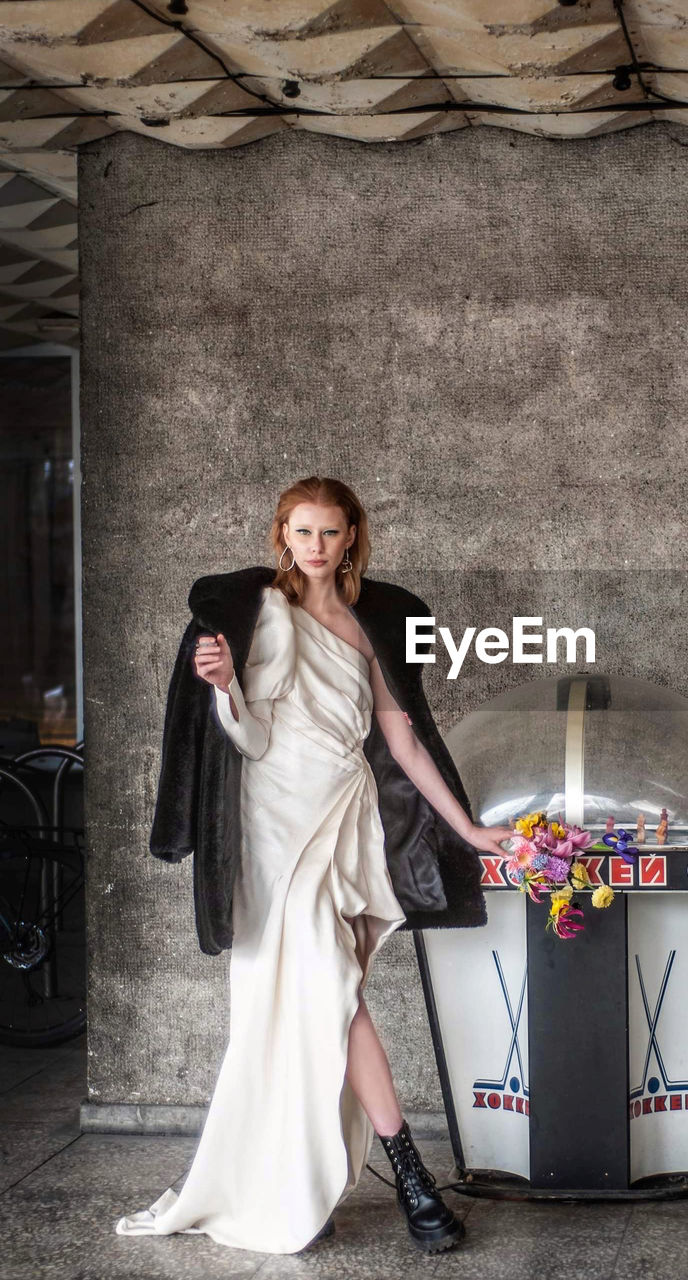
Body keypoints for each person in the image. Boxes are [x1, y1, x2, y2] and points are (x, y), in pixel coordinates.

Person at [114, 477, 514, 1256]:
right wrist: (227, 687)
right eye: (303, 532)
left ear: (352, 536)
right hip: (276, 826)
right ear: (282, 535)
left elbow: (401, 741)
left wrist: (467, 828)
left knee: (324, 1003)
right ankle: (412, 1180)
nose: (317, 547)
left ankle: (306, 1181)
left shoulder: (373, 625)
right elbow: (255, 739)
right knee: (333, 991)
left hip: (347, 818)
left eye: (331, 533)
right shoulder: (265, 611)